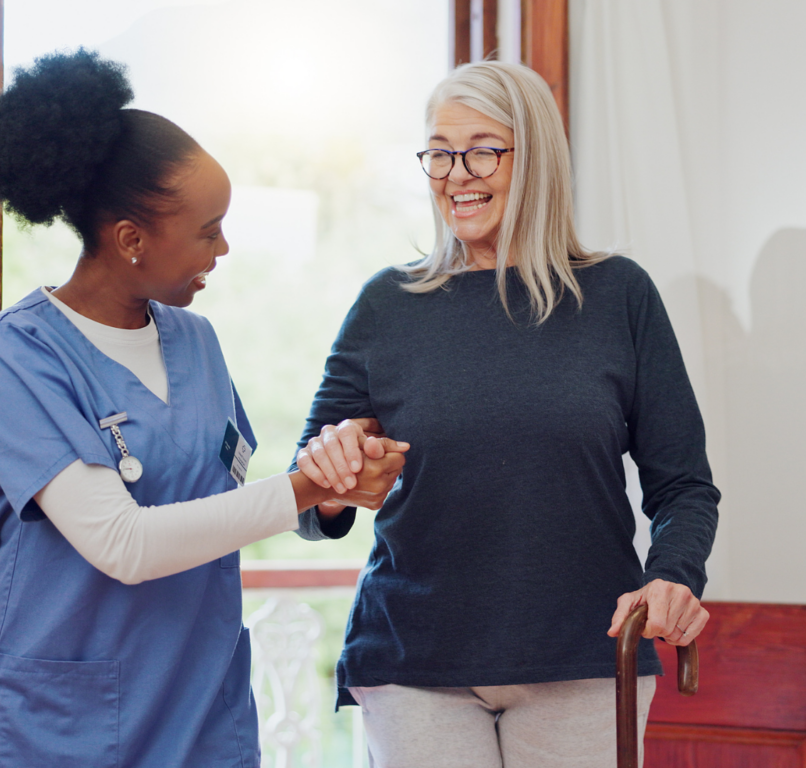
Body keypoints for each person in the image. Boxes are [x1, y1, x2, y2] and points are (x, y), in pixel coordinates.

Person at [0, 50, 406, 768]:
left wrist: (333, 489)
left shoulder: (196, 343)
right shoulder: (15, 355)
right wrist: (304, 488)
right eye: (208, 230)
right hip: (62, 722)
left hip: (201, 711)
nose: (223, 247)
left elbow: (226, 501)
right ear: (132, 239)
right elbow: (125, 545)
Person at [294, 61, 719, 768]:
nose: (457, 173)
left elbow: (682, 486)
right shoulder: (386, 306)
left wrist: (673, 574)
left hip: (583, 655)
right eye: (439, 152)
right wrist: (334, 479)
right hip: (415, 661)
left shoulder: (618, 296)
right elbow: (311, 497)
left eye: (483, 149)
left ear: (538, 159)